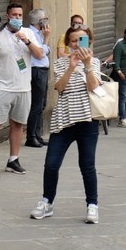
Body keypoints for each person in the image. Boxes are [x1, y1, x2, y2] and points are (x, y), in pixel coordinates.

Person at [31, 25, 103, 223]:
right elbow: (59, 88)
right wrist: (71, 66)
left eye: (82, 40)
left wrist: (87, 65)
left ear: (88, 42)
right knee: (51, 164)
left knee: (87, 165)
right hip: (62, 120)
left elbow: (94, 87)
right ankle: (47, 202)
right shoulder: (61, 63)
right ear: (68, 43)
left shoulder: (94, 62)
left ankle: (92, 205)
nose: (77, 44)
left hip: (87, 120)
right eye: (73, 40)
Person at [0, 3, 43, 176]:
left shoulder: (28, 33)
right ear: (7, 16)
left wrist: (26, 40)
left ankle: (13, 160)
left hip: (23, 87)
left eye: (20, 15)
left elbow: (40, 55)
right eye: (14, 15)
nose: (17, 18)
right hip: (1, 86)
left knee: (18, 124)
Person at [25, 9, 52, 147]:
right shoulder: (30, 33)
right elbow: (40, 54)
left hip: (43, 70)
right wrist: (46, 39)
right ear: (40, 21)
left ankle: (37, 134)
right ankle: (31, 136)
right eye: (45, 19)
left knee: (41, 105)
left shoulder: (38, 33)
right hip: (36, 71)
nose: (47, 22)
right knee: (35, 105)